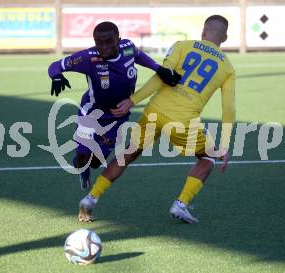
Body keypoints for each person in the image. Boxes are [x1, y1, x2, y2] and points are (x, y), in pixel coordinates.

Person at [78, 15, 236, 224]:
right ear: (224, 37)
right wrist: (224, 145)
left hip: (155, 110)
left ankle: (91, 198)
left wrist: (133, 100)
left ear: (203, 32)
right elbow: (229, 108)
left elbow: (161, 75)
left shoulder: (182, 45)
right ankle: (181, 204)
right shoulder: (227, 67)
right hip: (184, 120)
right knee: (208, 157)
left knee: (129, 152)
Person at [48, 21, 181, 191]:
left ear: (118, 39)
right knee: (82, 158)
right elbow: (55, 66)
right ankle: (81, 167)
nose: (103, 47)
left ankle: (89, 165)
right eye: (98, 42)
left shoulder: (127, 47)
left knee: (96, 162)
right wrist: (56, 77)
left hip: (117, 116)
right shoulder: (88, 57)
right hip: (90, 113)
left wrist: (158, 68)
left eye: (108, 42)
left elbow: (138, 55)